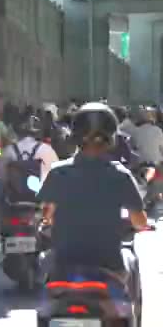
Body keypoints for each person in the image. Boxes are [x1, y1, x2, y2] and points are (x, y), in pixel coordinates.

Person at [37, 102, 148, 298]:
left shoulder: (57, 172)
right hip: (109, 262)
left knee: (46, 283)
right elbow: (139, 221)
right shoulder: (120, 174)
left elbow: (47, 214)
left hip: (65, 261)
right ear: (111, 137)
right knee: (130, 259)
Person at [0, 114, 59, 216]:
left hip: (13, 199)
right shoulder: (47, 150)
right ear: (38, 132)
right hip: (39, 201)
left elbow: (0, 176)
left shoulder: (8, 150)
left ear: (19, 132)